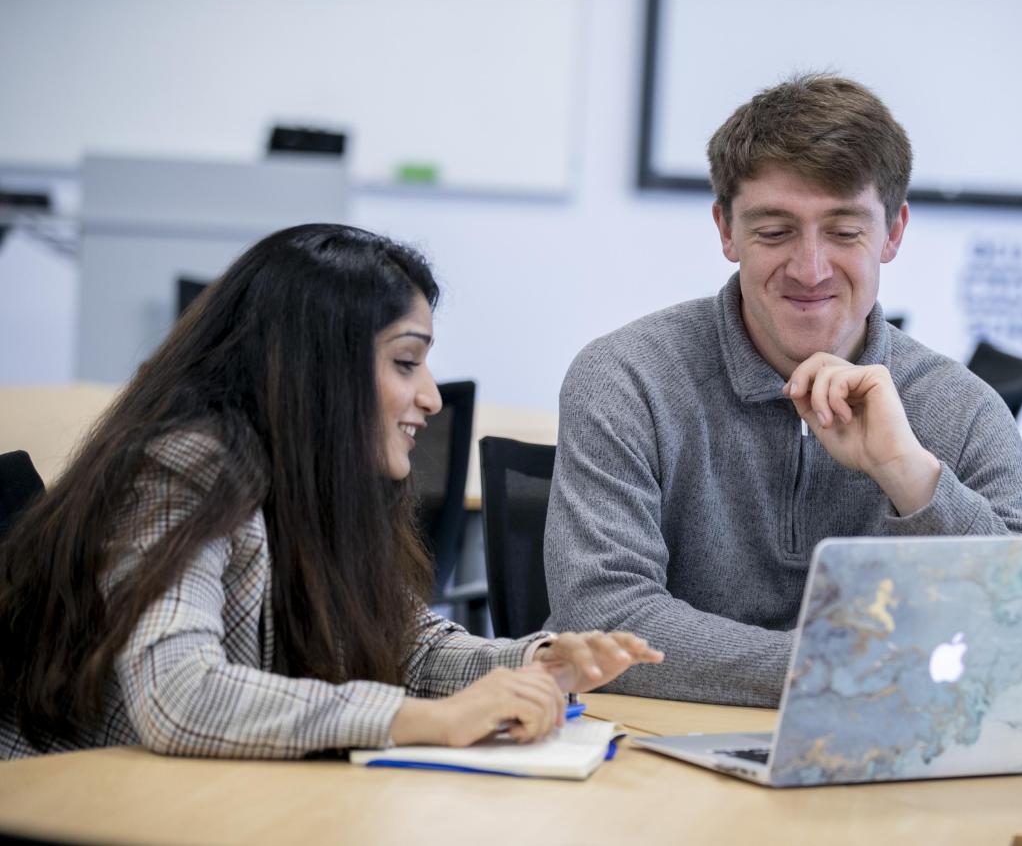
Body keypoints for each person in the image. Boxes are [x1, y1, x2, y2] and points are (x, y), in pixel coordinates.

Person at [0, 223, 661, 760]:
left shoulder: (320, 479)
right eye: (406, 362)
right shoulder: (187, 469)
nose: (431, 396)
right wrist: (421, 719)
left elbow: (404, 640)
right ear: (321, 366)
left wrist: (534, 661)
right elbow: (179, 696)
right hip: (74, 808)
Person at [544, 74, 1022, 707]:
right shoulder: (626, 379)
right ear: (726, 230)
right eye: (774, 231)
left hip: (895, 773)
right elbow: (604, 619)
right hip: (659, 761)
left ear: (893, 234)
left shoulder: (965, 409)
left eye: (844, 232)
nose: (810, 269)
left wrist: (909, 474)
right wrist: (836, 669)